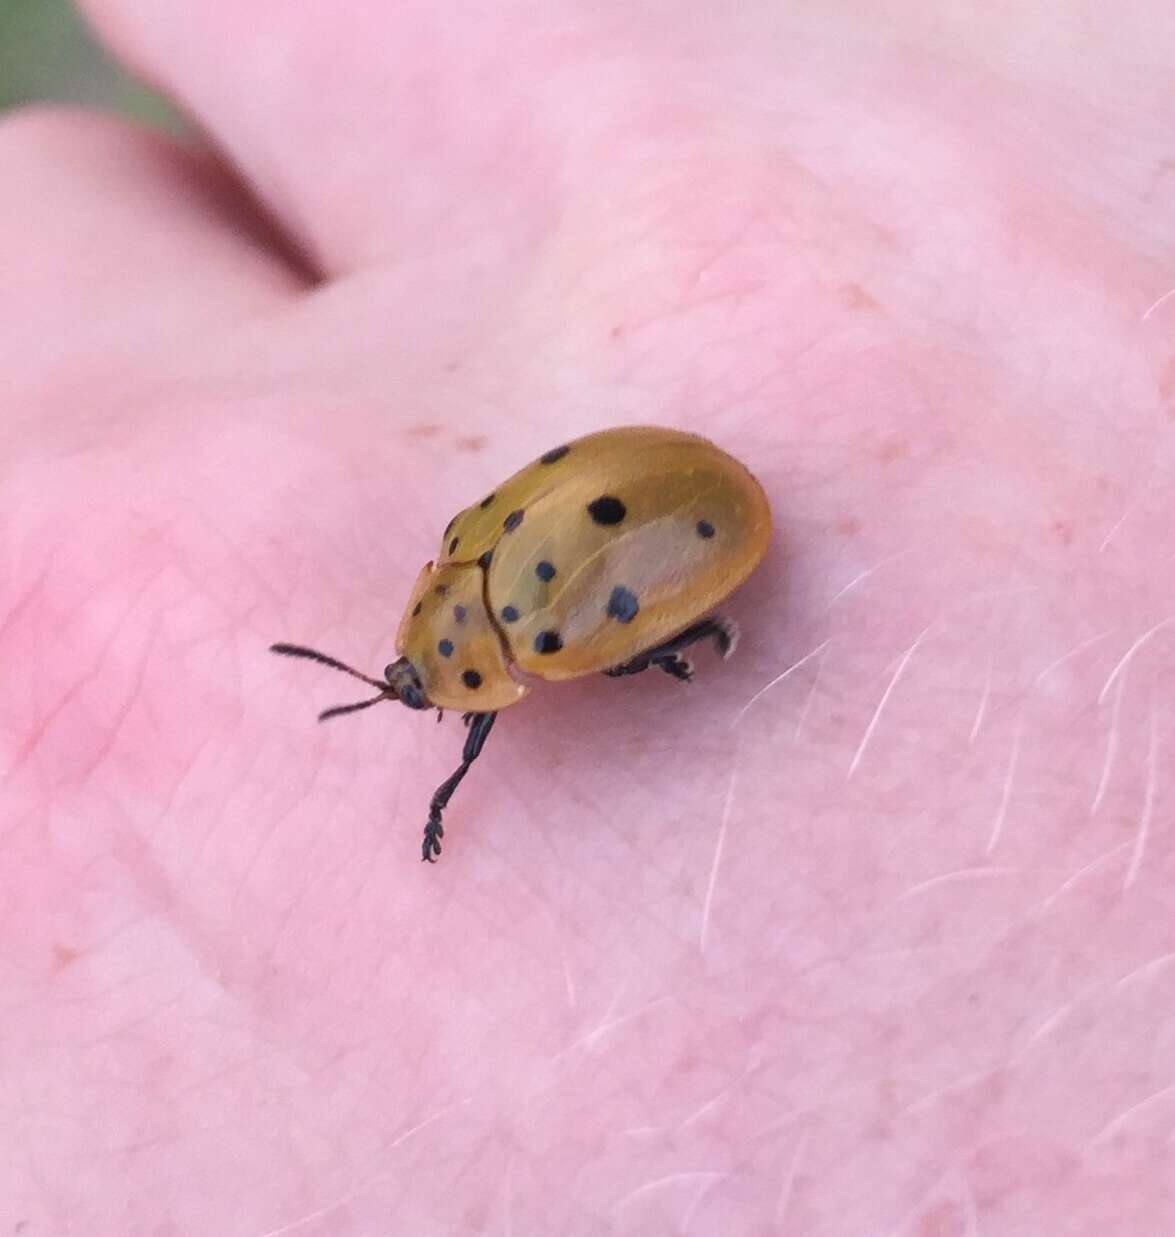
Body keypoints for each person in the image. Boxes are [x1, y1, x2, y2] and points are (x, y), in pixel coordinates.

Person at [2, 2, 1171, 1232]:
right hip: (647, 501)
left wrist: (472, 780)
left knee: (604, 669)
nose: (422, 690)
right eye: (416, 677)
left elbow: (541, 659)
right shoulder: (464, 566)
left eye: (419, 679)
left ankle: (675, 654)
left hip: (699, 517)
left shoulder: (527, 647)